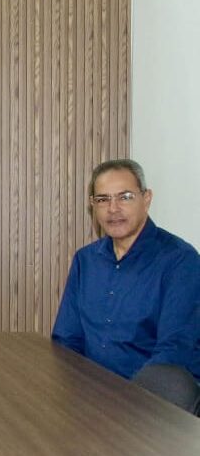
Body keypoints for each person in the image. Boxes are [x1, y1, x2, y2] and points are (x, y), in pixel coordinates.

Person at [52, 158, 199, 386]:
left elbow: (175, 351)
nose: (113, 209)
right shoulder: (86, 260)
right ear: (93, 204)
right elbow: (66, 340)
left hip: (151, 404)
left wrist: (125, 400)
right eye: (103, 199)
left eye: (125, 197)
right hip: (88, 396)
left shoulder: (180, 261)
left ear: (146, 199)